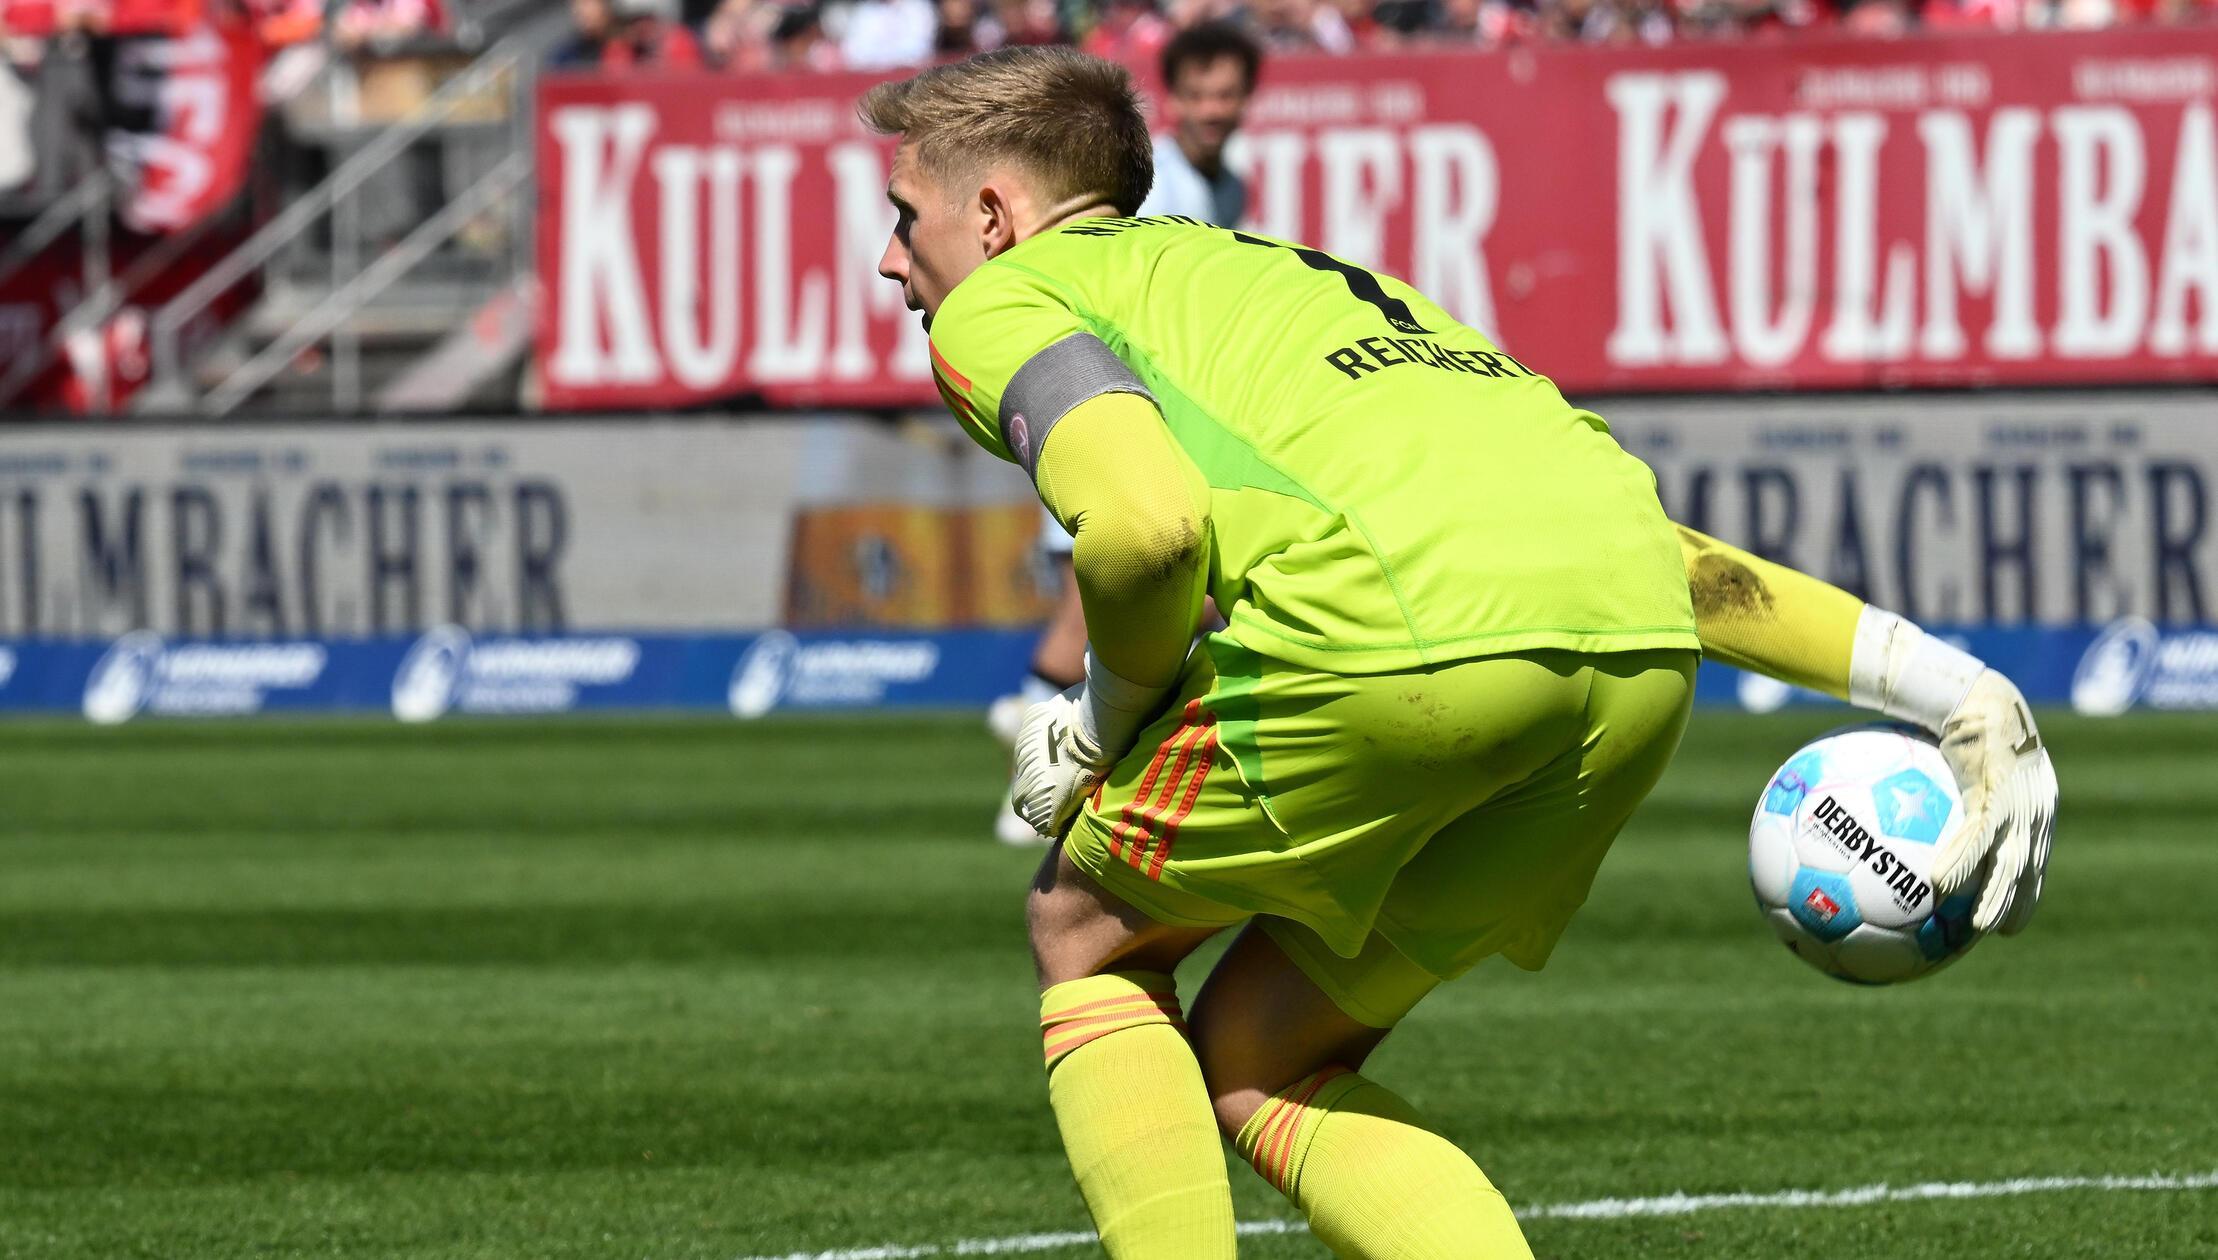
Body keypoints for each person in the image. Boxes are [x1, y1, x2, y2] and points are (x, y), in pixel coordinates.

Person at [865, 47, 2057, 1258]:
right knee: (1267, 1060)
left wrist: (1098, 721)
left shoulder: (1001, 300)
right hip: (1633, 672)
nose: (892, 261)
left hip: (1394, 647)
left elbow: (1146, 526)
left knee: (1086, 936)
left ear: (997, 215)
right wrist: (1952, 686)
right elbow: (1643, 552)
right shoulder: (1308, 282)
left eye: (906, 219)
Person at [988, 20, 1261, 846]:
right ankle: (1030, 744)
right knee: (1112, 606)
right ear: (1171, 97)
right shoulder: (1148, 182)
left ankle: (1038, 758)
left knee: (1132, 607)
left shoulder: (1230, 189)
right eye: (1199, 93)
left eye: (1228, 93)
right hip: (1115, 413)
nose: (1214, 109)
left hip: (1173, 419)